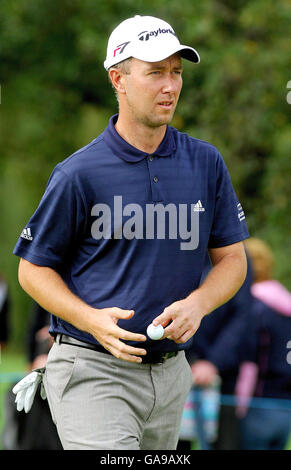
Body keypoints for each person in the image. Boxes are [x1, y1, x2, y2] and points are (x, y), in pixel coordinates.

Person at [12, 15, 249, 450]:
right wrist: (92, 321)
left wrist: (199, 304)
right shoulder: (78, 173)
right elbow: (32, 270)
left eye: (176, 72)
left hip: (171, 375)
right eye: (155, 71)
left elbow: (233, 260)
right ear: (118, 79)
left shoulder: (206, 163)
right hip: (92, 370)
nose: (171, 85)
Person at [235, 238, 291, 450]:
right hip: (286, 408)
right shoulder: (285, 306)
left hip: (257, 406)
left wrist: (240, 407)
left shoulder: (255, 308)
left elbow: (250, 362)